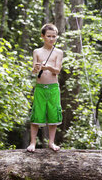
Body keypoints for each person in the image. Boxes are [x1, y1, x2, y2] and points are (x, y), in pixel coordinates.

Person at [27, 24, 63, 152]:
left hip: (53, 87)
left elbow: (57, 70)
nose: (51, 39)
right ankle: (32, 143)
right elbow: (34, 71)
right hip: (40, 88)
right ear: (43, 36)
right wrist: (36, 68)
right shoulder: (37, 51)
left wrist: (47, 67)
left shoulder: (58, 52)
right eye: (49, 36)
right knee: (37, 114)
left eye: (54, 36)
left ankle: (51, 143)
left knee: (53, 115)